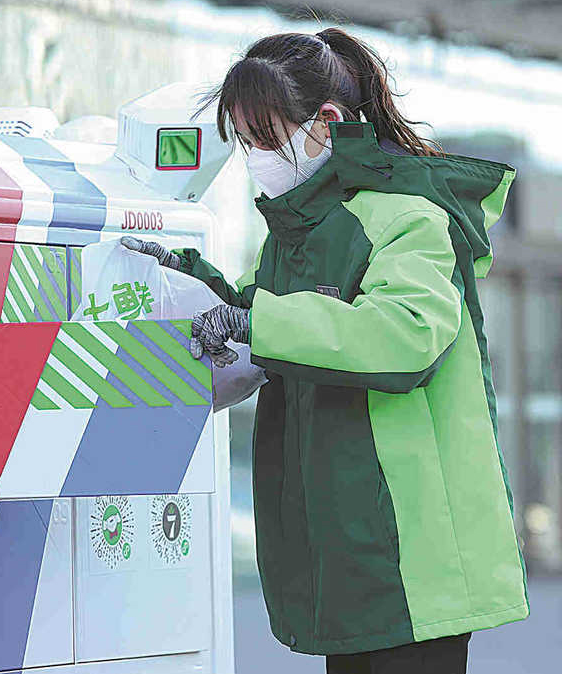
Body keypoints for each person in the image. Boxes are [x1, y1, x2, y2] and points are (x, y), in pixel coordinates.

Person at [123, 27, 529, 674]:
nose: (257, 157)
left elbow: (404, 338)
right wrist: (188, 278)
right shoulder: (291, 239)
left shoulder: (408, 216)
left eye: (267, 137)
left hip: (413, 562)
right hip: (346, 561)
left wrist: (252, 318)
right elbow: (270, 323)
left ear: (328, 121)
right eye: (247, 143)